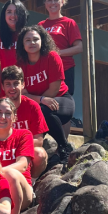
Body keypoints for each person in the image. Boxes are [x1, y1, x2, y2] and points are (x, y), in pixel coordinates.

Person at [17, 25, 75, 163]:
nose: (32, 43)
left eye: (35, 39)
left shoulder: (52, 57)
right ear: (22, 44)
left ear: (42, 41)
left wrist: (40, 102)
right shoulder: (20, 65)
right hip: (39, 103)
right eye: (28, 40)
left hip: (60, 99)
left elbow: (54, 89)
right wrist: (41, 99)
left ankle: (63, 147)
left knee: (43, 111)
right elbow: (22, 93)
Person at [0, 65, 49, 179]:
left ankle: (32, 181)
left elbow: (38, 140)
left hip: (23, 150)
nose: (12, 88)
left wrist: (17, 148)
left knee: (39, 153)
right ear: (2, 86)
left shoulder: (33, 106)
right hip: (0, 151)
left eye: (16, 83)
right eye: (8, 84)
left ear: (23, 84)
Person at [0, 98, 34, 214]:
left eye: (7, 113)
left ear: (14, 117)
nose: (3, 117)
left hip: (21, 191)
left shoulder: (24, 135)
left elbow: (23, 164)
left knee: (11, 174)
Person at [38, 0, 82, 97]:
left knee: (62, 104)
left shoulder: (69, 23)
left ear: (62, 2)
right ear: (45, 4)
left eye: (56, 0)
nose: (53, 3)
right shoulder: (40, 25)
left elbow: (79, 47)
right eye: (49, 0)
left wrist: (57, 53)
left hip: (65, 69)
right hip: (45, 71)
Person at [0, 0, 29, 69]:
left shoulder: (28, 36)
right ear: (4, 15)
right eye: (9, 12)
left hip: (23, 79)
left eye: (16, 12)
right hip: (1, 79)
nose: (13, 15)